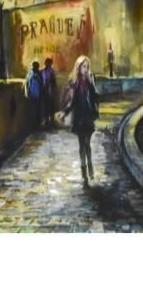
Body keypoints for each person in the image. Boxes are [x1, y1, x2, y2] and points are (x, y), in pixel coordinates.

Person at [62, 55, 100, 186]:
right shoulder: (75, 83)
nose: (86, 69)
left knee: (87, 143)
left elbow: (95, 97)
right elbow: (72, 102)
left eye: (87, 67)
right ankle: (84, 171)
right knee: (81, 144)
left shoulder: (89, 82)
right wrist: (65, 112)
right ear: (79, 67)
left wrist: (92, 83)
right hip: (79, 117)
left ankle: (90, 166)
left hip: (88, 116)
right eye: (84, 67)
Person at [26, 60, 44, 128]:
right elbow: (28, 83)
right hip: (32, 94)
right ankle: (33, 123)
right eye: (34, 66)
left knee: (37, 109)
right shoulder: (30, 73)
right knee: (33, 109)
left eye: (36, 67)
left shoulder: (39, 73)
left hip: (37, 94)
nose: (34, 68)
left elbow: (41, 83)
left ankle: (37, 124)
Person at [41, 57, 57, 127]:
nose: (49, 64)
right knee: (47, 107)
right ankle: (47, 121)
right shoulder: (43, 71)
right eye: (48, 63)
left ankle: (50, 121)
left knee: (50, 107)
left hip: (49, 91)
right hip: (46, 91)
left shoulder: (50, 71)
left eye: (50, 63)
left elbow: (54, 83)